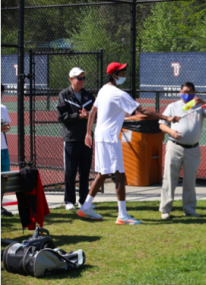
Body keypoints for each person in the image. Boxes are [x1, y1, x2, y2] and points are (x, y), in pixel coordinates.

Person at [78, 62, 180, 225]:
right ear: (114, 75)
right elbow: (143, 111)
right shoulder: (119, 94)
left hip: (100, 136)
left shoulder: (103, 89)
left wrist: (88, 133)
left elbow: (92, 112)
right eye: (122, 72)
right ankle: (122, 216)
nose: (125, 75)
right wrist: (167, 118)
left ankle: (85, 207)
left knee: (103, 173)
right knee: (119, 174)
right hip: (110, 138)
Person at [159, 82, 206, 220]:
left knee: (190, 180)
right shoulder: (173, 106)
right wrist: (171, 132)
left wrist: (205, 103)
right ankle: (165, 209)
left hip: (193, 149)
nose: (187, 95)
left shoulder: (200, 106)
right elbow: (162, 125)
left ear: (195, 93)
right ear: (180, 92)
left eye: (190, 92)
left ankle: (189, 209)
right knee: (169, 179)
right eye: (185, 92)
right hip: (174, 147)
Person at [57, 67, 95, 211]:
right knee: (70, 172)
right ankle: (69, 201)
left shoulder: (88, 95)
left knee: (85, 172)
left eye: (83, 78)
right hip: (71, 139)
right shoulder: (64, 95)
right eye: (79, 78)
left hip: (87, 138)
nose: (82, 81)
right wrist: (78, 116)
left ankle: (84, 201)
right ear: (71, 79)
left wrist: (89, 115)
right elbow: (62, 117)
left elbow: (95, 112)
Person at [1, 84, 14, 216]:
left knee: (4, 177)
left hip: (3, 148)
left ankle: (0, 205)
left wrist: (6, 128)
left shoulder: (3, 108)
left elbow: (7, 125)